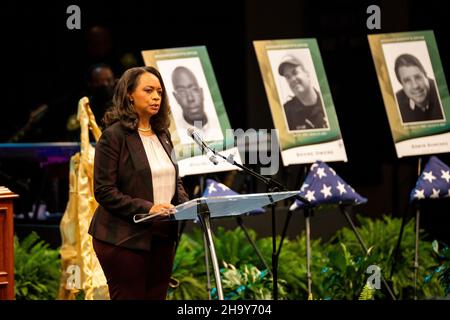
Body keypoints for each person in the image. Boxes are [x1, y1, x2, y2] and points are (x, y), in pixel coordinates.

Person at [88, 66, 189, 300]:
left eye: (160, 92)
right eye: (149, 90)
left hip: (162, 236)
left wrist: (184, 205)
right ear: (129, 94)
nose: (156, 97)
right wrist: (148, 208)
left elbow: (175, 177)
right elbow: (104, 191)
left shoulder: (162, 133)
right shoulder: (114, 136)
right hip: (123, 238)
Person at [171, 66, 223, 144]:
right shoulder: (175, 137)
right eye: (182, 91)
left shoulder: (221, 125)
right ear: (176, 97)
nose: (190, 98)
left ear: (201, 92)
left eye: (194, 89)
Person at [278, 55, 328, 131]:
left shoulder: (328, 103)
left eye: (295, 72)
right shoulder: (285, 112)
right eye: (288, 77)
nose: (292, 79)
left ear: (307, 74)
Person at [394, 53, 444, 124]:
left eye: (418, 77)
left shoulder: (444, 94)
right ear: (401, 84)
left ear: (426, 75)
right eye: (407, 80)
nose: (415, 86)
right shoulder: (395, 103)